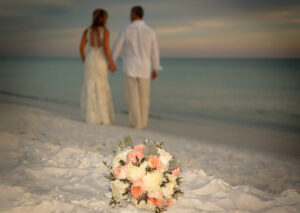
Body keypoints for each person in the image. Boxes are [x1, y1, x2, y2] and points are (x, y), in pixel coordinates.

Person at [113, 6, 162, 129]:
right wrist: (156, 68)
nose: (130, 16)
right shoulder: (150, 31)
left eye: (131, 13)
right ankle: (143, 123)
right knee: (144, 98)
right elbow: (154, 52)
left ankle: (135, 123)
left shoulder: (126, 29)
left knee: (132, 97)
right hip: (145, 67)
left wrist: (112, 62)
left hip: (130, 66)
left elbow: (117, 48)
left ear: (134, 14)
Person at [79, 9, 116, 125]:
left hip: (90, 60)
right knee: (101, 86)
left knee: (90, 86)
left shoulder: (87, 31)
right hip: (100, 61)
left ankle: (90, 117)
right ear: (104, 18)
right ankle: (102, 118)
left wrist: (85, 60)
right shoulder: (105, 31)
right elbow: (106, 48)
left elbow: (81, 48)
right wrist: (112, 63)